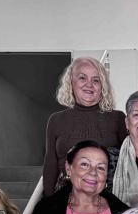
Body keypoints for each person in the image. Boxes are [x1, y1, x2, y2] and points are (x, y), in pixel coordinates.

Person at [42, 57, 127, 196]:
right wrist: (48, 200)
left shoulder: (117, 118)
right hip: (65, 196)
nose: (89, 84)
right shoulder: (56, 120)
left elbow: (128, 163)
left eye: (96, 80)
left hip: (107, 195)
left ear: (102, 86)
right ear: (71, 82)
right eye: (82, 78)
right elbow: (50, 164)